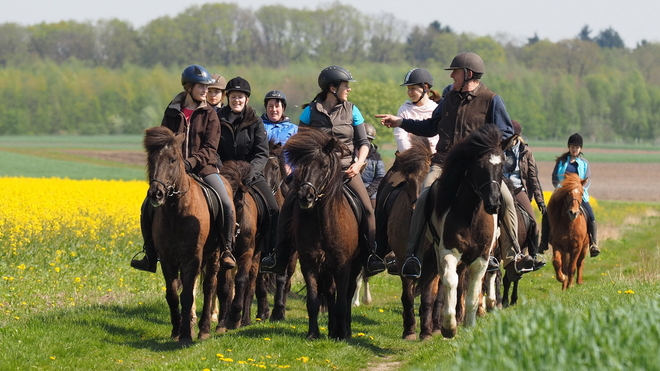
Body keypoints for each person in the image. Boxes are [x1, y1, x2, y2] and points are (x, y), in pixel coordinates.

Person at [375, 51, 536, 278]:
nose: (451, 77)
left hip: (476, 167)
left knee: (507, 199)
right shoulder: (449, 96)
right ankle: (413, 256)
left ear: (468, 74)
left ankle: (513, 256)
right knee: (423, 197)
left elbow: (507, 131)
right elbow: (431, 126)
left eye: (455, 72)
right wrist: (401, 121)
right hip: (444, 163)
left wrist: (481, 145)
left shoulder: (492, 99)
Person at [261, 65, 387, 275]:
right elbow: (299, 144)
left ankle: (371, 255)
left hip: (345, 171)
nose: (349, 89)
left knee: (367, 209)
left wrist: (358, 164)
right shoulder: (310, 111)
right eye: (346, 85)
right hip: (316, 173)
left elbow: (363, 142)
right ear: (332, 88)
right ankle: (278, 255)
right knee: (287, 207)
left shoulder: (352, 109)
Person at [130, 64, 237, 272]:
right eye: (201, 87)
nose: (206, 90)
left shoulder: (210, 114)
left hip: (204, 169)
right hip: (172, 172)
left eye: (207, 87)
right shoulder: (172, 111)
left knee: (225, 202)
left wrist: (189, 163)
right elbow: (162, 143)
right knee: (147, 205)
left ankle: (226, 249)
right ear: (188, 87)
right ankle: (150, 253)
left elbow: (210, 147)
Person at [216, 76, 280, 263]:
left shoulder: (256, 122)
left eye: (241, 97)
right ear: (228, 98)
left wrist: (250, 172)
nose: (237, 100)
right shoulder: (217, 119)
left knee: (274, 209)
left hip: (251, 175)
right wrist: (222, 169)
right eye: (234, 96)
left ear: (247, 99)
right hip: (224, 174)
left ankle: (270, 252)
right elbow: (213, 149)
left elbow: (262, 152)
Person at [540, 133, 599, 257]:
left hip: (578, 195)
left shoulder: (584, 163)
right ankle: (543, 242)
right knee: (546, 213)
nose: (574, 149)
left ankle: (593, 243)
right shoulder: (561, 162)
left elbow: (588, 180)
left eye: (577, 147)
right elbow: (555, 178)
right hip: (562, 194)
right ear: (569, 147)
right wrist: (560, 189)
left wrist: (580, 190)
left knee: (591, 216)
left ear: (580, 149)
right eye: (572, 147)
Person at [502, 120, 547, 270]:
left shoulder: (525, 152)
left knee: (533, 222)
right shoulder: (498, 149)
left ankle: (534, 256)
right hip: (501, 187)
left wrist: (540, 201)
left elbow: (533, 177)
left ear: (516, 137)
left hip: (517, 189)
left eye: (509, 136)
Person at [395, 68, 440, 154]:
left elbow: (437, 138)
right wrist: (412, 156)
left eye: (413, 88)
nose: (409, 92)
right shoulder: (404, 110)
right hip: (409, 157)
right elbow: (400, 137)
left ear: (425, 88)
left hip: (433, 156)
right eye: (408, 88)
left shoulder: (437, 109)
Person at [360, 123, 386, 209]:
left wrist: (368, 192)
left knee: (372, 211)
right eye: (365, 139)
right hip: (354, 189)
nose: (367, 142)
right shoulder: (351, 153)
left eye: (370, 139)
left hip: (370, 192)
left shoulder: (377, 157)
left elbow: (380, 177)